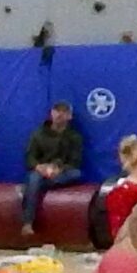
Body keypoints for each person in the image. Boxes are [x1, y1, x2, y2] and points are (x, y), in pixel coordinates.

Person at [22, 100, 86, 237]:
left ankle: (41, 186)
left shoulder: (75, 137)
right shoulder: (38, 134)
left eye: (64, 112)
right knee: (34, 179)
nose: (59, 115)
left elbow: (75, 161)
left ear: (69, 116)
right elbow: (29, 157)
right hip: (40, 172)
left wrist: (58, 168)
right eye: (57, 111)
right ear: (51, 113)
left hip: (62, 173)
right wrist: (39, 167)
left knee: (76, 174)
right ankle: (27, 222)